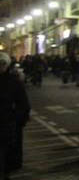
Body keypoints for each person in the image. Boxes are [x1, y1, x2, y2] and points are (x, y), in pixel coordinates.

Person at [0, 52, 30, 180]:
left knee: (6, 154)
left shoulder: (14, 82)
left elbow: (23, 104)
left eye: (2, 64)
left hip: (6, 124)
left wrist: (18, 120)